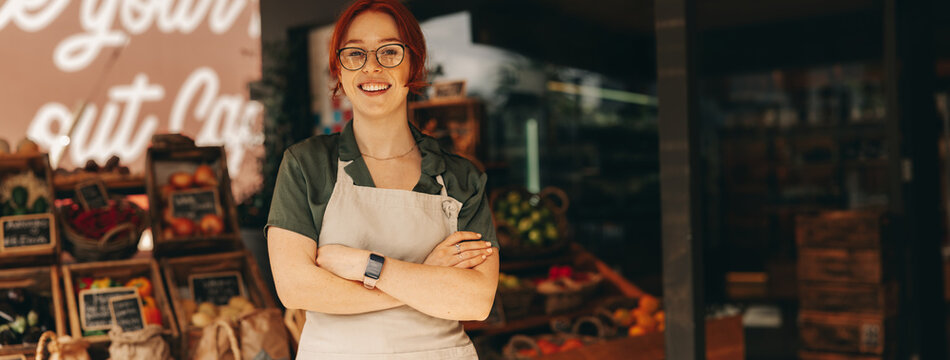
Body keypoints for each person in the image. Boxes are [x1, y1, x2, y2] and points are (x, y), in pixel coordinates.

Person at [264, 0, 499, 358]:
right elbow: (296, 288)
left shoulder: (461, 177)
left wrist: (367, 266)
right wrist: (423, 277)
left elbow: (475, 301)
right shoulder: (306, 165)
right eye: (355, 53)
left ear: (413, 65)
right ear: (338, 70)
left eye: (389, 52)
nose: (371, 67)